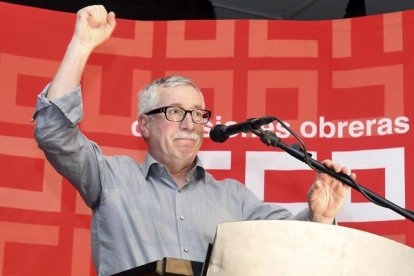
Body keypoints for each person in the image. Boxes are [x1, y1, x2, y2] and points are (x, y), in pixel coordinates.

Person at [33, 5, 355, 276]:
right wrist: (81, 44)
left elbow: (288, 246)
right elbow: (54, 132)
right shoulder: (112, 179)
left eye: (198, 113)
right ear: (144, 124)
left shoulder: (234, 198)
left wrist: (320, 216)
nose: (190, 123)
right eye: (175, 111)